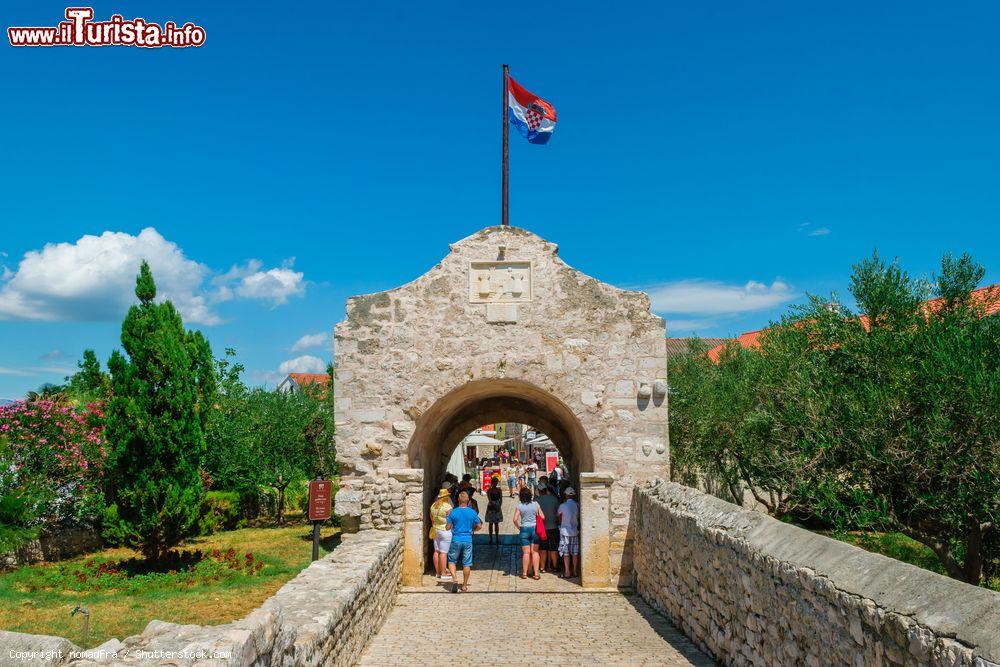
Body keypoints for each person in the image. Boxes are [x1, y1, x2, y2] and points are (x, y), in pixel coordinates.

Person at [446, 491, 482, 593]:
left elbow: (448, 527)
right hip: (468, 540)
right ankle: (465, 585)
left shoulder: (453, 512)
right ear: (468, 501)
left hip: (456, 539)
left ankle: (455, 580)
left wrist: (447, 519)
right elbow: (479, 525)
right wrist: (473, 530)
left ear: (458, 500)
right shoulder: (472, 512)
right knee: (467, 563)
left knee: (452, 561)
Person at [513, 486, 543, 580]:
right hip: (534, 529)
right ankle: (536, 573)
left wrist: (519, 527)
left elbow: (514, 519)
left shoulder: (519, 506)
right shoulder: (536, 504)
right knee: (535, 552)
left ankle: (525, 573)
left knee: (526, 552)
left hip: (524, 529)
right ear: (530, 495)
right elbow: (542, 517)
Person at [428, 485, 454, 581]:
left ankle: (438, 572)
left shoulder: (433, 506)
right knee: (444, 552)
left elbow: (432, 519)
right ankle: (443, 573)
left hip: (435, 529)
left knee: (437, 551)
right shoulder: (448, 507)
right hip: (445, 530)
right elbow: (451, 520)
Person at [535, 477, 560, 573]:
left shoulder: (537, 501)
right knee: (553, 548)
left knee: (543, 548)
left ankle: (542, 567)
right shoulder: (554, 499)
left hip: (542, 529)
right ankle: (554, 566)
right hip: (553, 527)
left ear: (540, 491)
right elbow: (558, 512)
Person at [557, 487, 580, 579]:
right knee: (575, 553)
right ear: (573, 495)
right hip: (575, 531)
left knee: (566, 553)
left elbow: (558, 515)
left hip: (564, 531)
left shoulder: (562, 506)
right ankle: (574, 571)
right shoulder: (577, 505)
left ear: (565, 495)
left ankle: (567, 572)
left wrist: (560, 522)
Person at [485, 476, 504, 544]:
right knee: (491, 523)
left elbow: (501, 499)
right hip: (493, 506)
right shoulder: (490, 490)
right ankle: (491, 538)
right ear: (492, 483)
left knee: (496, 524)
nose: (495, 483)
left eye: (496, 482)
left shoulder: (498, 490)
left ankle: (496, 538)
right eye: (494, 482)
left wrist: (499, 506)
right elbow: (490, 500)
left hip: (494, 505)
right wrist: (497, 506)